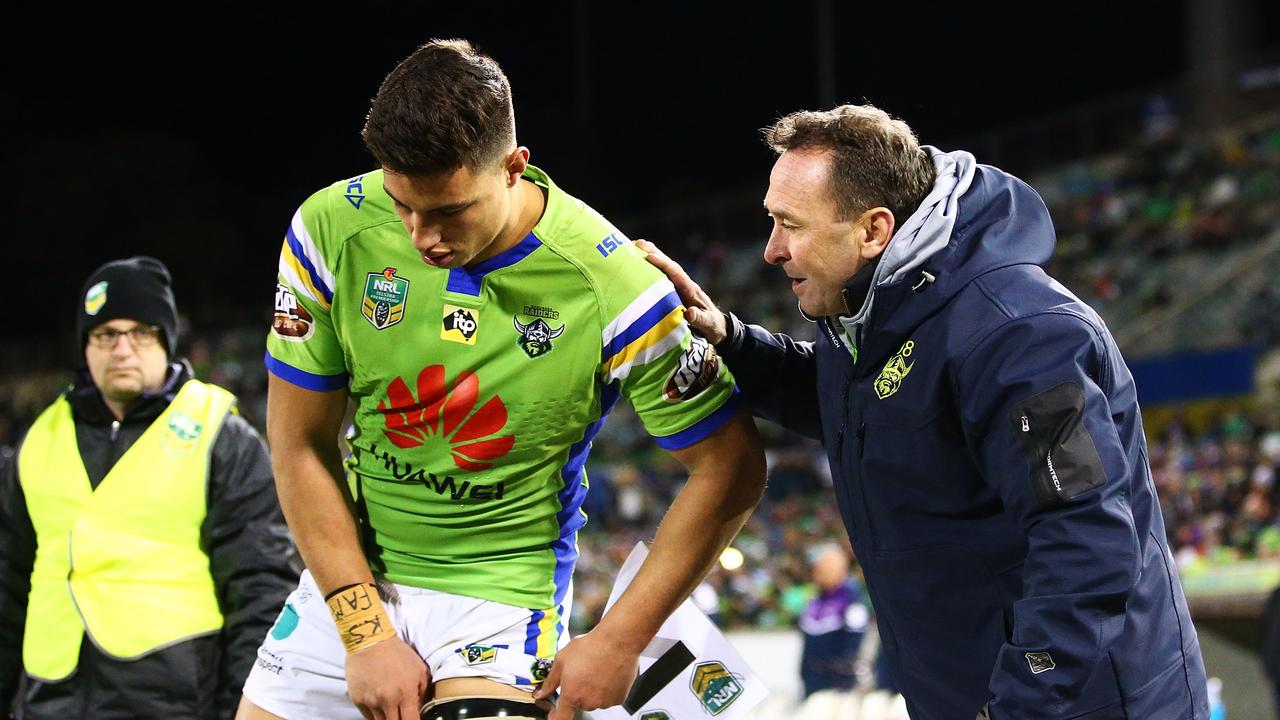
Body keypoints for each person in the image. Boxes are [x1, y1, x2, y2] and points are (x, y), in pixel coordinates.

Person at [237, 39, 765, 720]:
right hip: (351, 583)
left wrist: (620, 639)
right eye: (402, 204)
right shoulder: (328, 227)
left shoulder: (616, 285)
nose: (422, 235)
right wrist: (364, 632)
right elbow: (298, 444)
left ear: (516, 167)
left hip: (500, 604)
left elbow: (732, 465)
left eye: (450, 211)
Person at [641, 103, 1209, 719]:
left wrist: (1020, 706)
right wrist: (730, 338)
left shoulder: (1024, 338)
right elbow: (872, 406)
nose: (771, 250)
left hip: (1078, 705)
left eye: (789, 224)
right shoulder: (873, 304)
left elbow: (1087, 541)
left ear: (873, 230)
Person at [0, 256, 296, 719]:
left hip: (175, 699)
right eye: (106, 335)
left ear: (166, 341)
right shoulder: (38, 438)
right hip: (52, 698)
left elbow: (259, 586)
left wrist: (242, 708)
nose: (122, 349)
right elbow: (7, 583)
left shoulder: (220, 433)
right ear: (86, 346)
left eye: (141, 332)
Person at [797, 544, 867, 702]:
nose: (817, 574)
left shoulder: (850, 599)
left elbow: (854, 648)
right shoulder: (814, 600)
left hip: (837, 685)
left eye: (822, 569)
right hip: (812, 681)